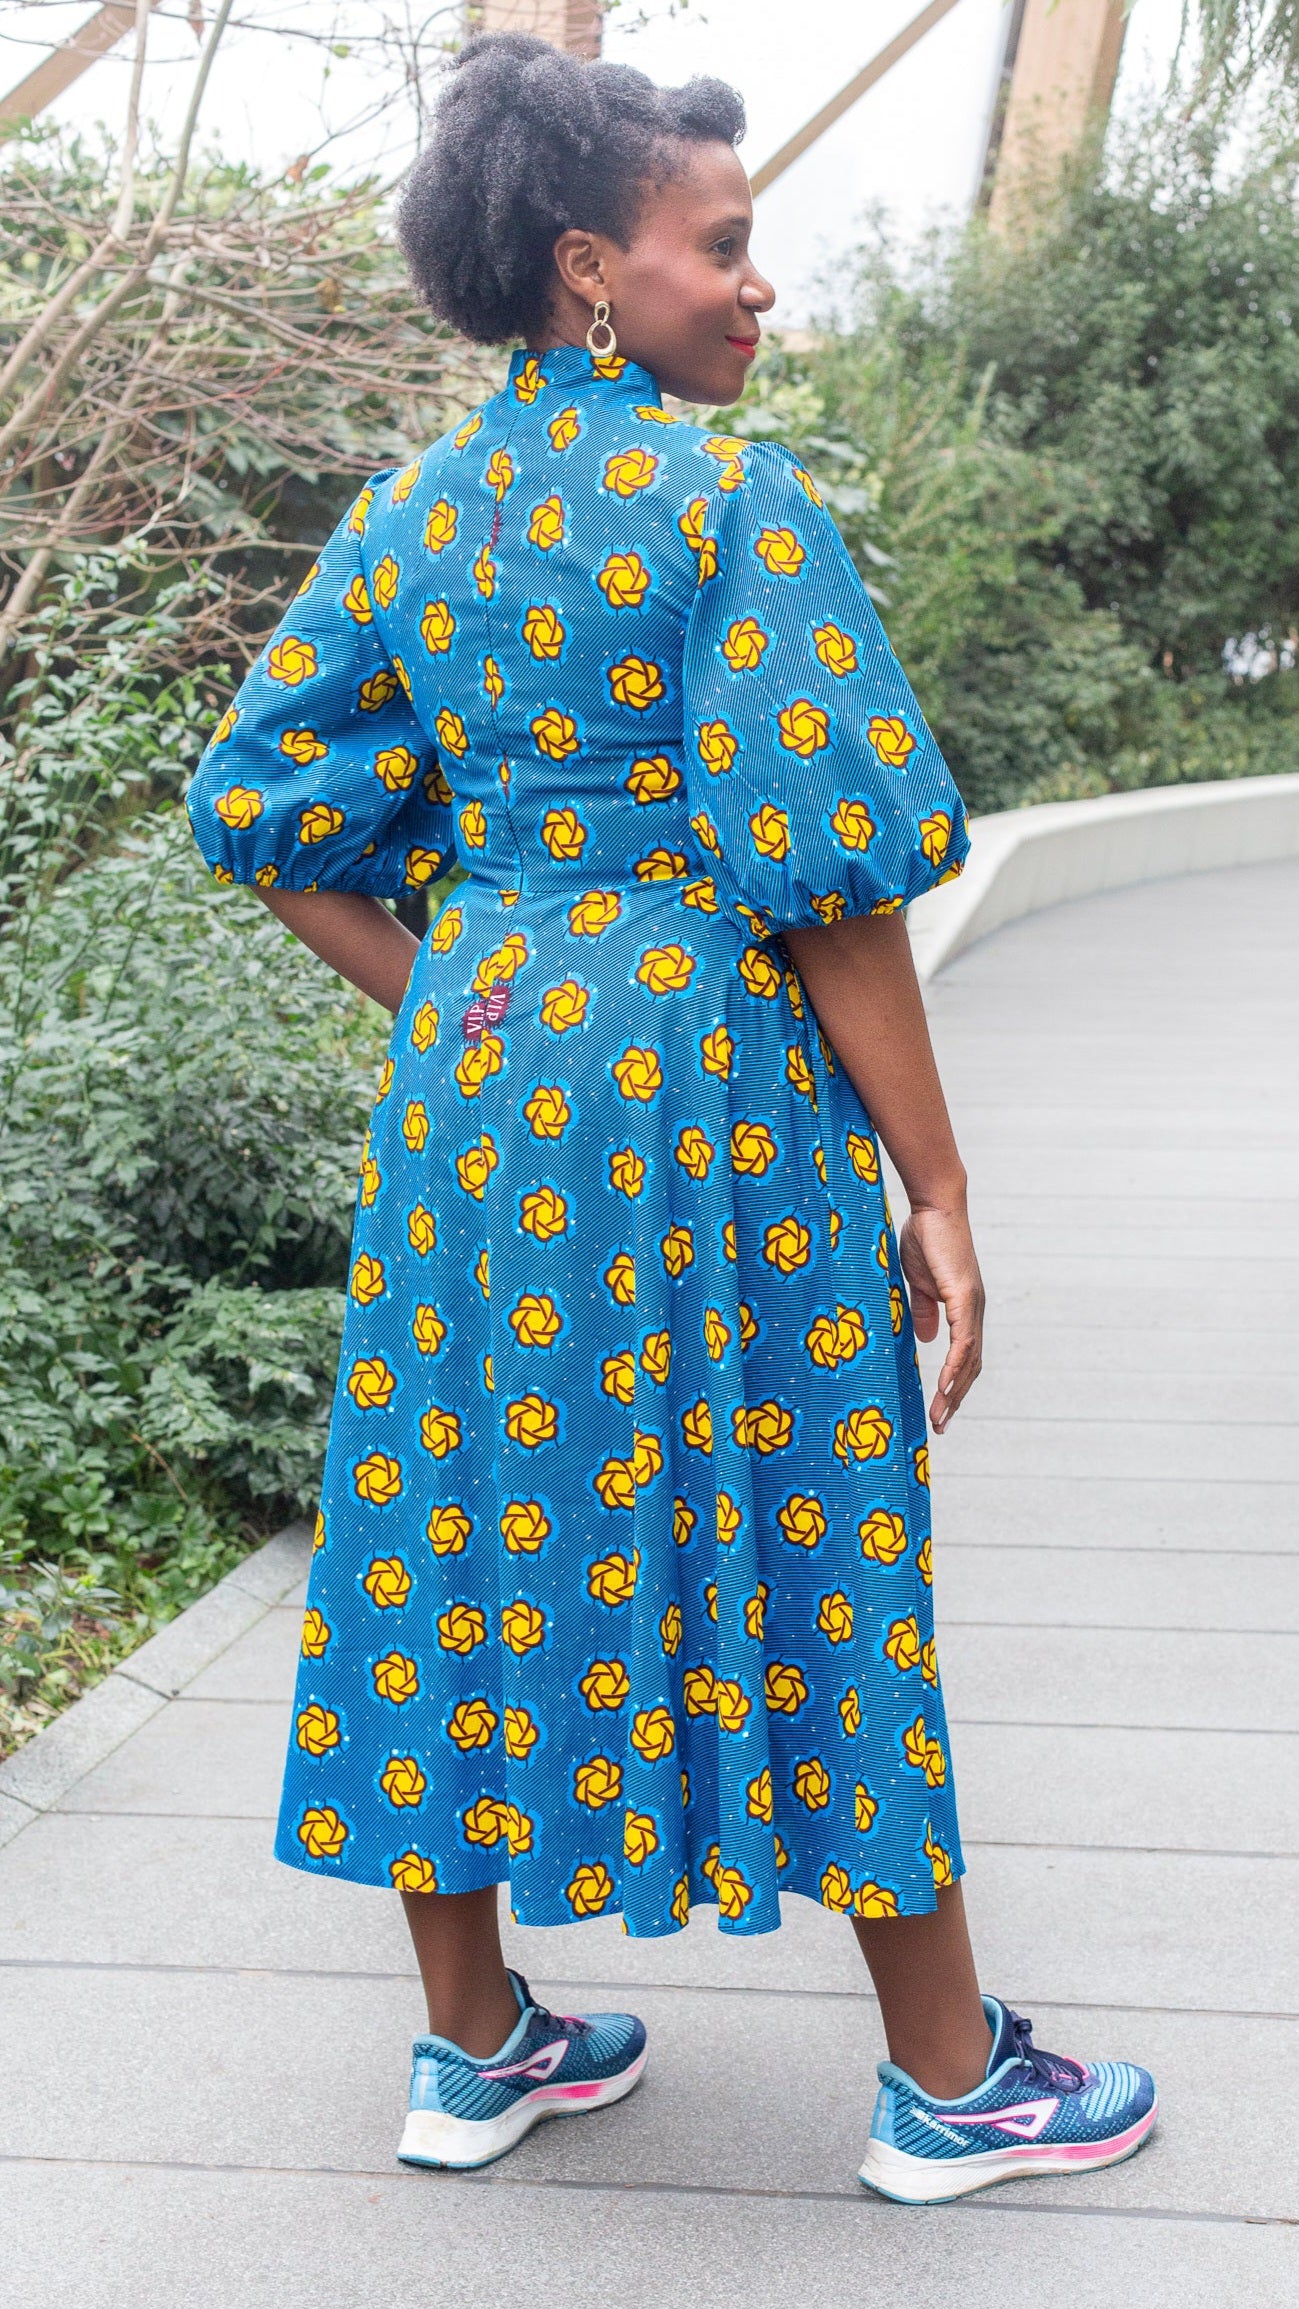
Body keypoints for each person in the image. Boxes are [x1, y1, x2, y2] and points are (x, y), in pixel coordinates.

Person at [186, 31, 1156, 2203]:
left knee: (447, 1526)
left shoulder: (412, 512)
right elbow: (832, 883)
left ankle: (473, 2048)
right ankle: (943, 2076)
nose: (755, 287)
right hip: (701, 1092)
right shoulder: (727, 505)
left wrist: (458, 987)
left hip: (484, 1093)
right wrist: (939, 1184)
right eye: (719, 246)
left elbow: (254, 805)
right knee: (814, 1520)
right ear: (580, 270)